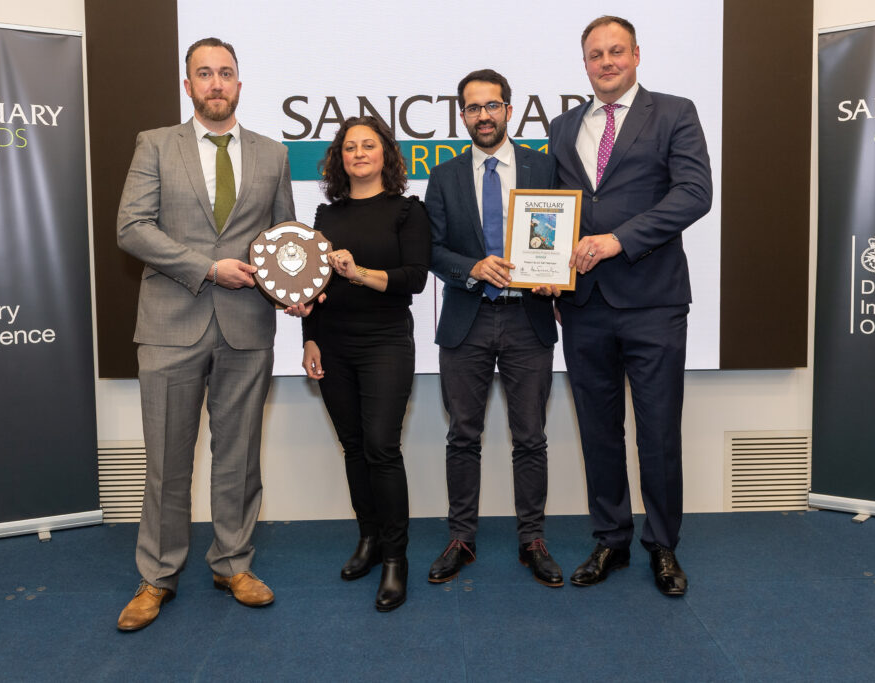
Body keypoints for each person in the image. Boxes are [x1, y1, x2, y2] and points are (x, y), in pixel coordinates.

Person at [115, 37, 295, 630]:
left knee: (239, 457)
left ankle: (233, 563)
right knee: (167, 461)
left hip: (247, 328)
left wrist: (297, 284)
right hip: (170, 323)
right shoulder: (155, 145)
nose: (216, 83)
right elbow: (132, 228)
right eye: (204, 74)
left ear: (239, 83)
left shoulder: (272, 154)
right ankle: (157, 576)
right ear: (187, 85)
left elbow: (283, 240)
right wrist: (206, 267)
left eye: (226, 73)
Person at [548, 16, 712, 596]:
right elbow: (557, 209)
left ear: (637, 54)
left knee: (659, 431)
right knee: (598, 429)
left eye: (616, 51)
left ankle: (662, 546)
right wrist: (545, 268)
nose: (606, 62)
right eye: (596, 54)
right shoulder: (563, 126)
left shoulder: (674, 112)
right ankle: (611, 539)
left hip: (653, 301)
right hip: (585, 304)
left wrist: (619, 239)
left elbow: (695, 194)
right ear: (585, 63)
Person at [424, 69, 563, 587]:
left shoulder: (544, 168)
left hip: (528, 319)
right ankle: (462, 537)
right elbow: (432, 251)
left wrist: (555, 277)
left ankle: (533, 540)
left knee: (531, 437)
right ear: (462, 115)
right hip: (468, 317)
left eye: (492, 105)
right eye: (472, 108)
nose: (483, 115)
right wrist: (471, 267)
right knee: (463, 435)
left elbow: (560, 235)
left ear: (510, 109)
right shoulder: (444, 176)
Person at [289, 116, 430, 611]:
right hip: (332, 342)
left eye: (369, 145)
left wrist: (359, 271)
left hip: (386, 341)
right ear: (338, 158)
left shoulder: (408, 211)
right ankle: (369, 540)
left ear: (386, 154)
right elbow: (312, 287)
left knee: (380, 447)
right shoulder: (326, 216)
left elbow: (414, 279)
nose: (359, 153)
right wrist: (309, 337)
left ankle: (396, 559)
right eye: (350, 147)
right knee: (353, 446)